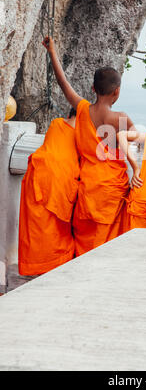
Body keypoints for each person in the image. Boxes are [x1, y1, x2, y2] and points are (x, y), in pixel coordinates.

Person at [42, 37, 135, 256]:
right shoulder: (120, 118)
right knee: (106, 246)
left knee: (84, 246)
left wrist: (52, 51)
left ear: (93, 88)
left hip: (86, 187)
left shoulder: (82, 109)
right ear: (117, 92)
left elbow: (63, 82)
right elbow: (135, 139)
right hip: (110, 189)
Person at [18, 109, 80, 276]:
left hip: (38, 177)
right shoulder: (82, 133)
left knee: (37, 228)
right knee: (55, 231)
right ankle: (54, 264)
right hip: (60, 183)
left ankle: (37, 266)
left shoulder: (56, 123)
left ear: (69, 114)